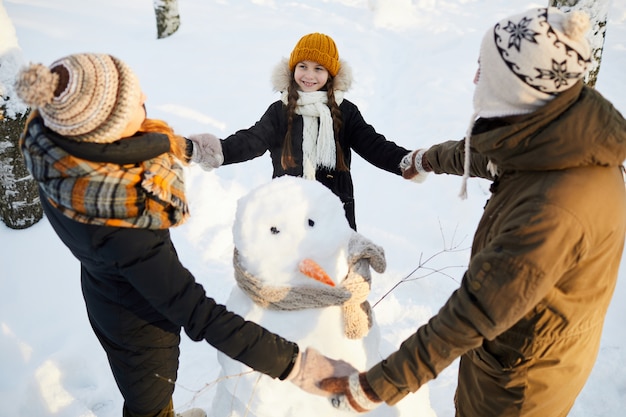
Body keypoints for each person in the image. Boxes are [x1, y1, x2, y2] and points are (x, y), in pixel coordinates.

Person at [315, 7, 626, 416]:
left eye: (487, 72)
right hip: (514, 348)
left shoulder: (554, 210)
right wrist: (426, 159)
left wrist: (374, 386)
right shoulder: (560, 126)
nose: (476, 80)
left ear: (520, 89)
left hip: (520, 384)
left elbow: (475, 311)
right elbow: (492, 153)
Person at [15, 53, 355, 417]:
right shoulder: (123, 223)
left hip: (104, 291)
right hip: (140, 325)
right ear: (106, 127)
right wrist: (299, 366)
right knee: (148, 402)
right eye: (133, 100)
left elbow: (144, 143)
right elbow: (200, 314)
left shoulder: (56, 148)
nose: (145, 97)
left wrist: (189, 148)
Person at [187, 32, 423, 230]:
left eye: (318, 68)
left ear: (330, 74)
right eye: (303, 66)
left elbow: (374, 145)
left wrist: (411, 161)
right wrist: (209, 150)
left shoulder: (344, 112)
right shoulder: (281, 110)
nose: (309, 75)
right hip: (286, 209)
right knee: (286, 275)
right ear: (293, 69)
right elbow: (251, 140)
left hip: (333, 209)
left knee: (332, 277)